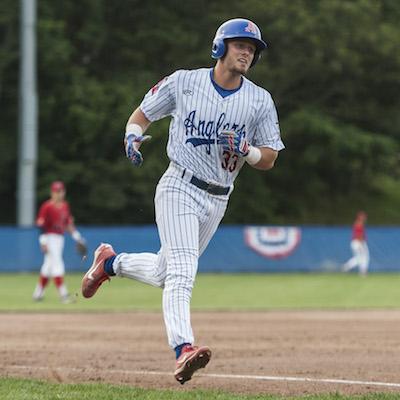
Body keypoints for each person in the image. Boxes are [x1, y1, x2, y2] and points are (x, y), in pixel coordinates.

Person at [81, 18, 284, 384]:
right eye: (240, 45)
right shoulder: (185, 82)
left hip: (219, 198)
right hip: (180, 185)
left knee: (164, 271)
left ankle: (110, 264)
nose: (246, 53)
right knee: (182, 270)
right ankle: (183, 349)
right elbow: (142, 115)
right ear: (219, 46)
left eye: (252, 49)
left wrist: (249, 151)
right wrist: (131, 136)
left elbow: (269, 158)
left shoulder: (259, 100)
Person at [33, 180, 86, 303]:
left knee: (47, 267)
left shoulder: (65, 206)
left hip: (59, 238)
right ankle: (64, 295)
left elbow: (68, 224)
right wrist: (43, 242)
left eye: (61, 191)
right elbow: (41, 226)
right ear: (52, 192)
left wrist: (78, 237)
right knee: (57, 265)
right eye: (57, 191)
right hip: (49, 237)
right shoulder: (47, 206)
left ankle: (38, 294)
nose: (59, 193)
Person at [342, 211, 370, 276]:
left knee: (360, 258)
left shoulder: (358, 223)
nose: (365, 218)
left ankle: (348, 267)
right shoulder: (359, 224)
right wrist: (361, 244)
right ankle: (348, 267)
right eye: (363, 217)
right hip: (358, 242)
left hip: (357, 242)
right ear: (360, 217)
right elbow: (358, 235)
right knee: (363, 257)